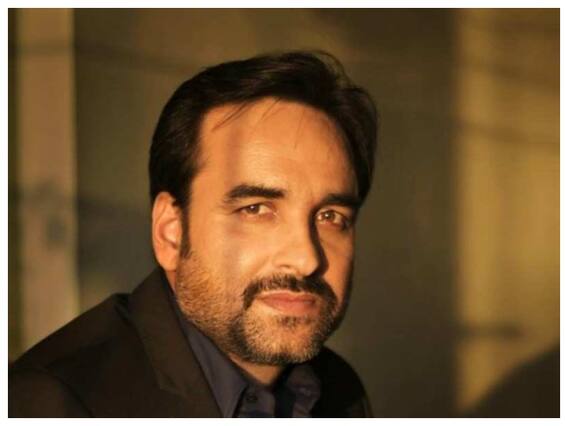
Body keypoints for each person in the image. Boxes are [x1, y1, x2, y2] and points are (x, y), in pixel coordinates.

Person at [9, 50, 378, 417]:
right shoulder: (51, 403)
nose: (306, 258)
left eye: (331, 216)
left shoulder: (338, 390)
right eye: (255, 209)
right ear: (171, 233)